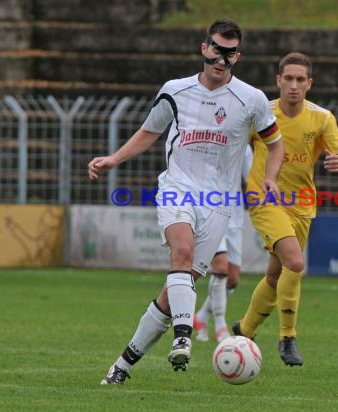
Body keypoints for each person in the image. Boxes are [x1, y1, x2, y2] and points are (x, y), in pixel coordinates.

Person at [88, 18, 284, 385]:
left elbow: (275, 144)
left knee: (172, 293)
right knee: (180, 253)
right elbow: (149, 131)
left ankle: (123, 365)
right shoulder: (174, 91)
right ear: (203, 47)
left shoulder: (251, 99)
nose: (221, 59)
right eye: (216, 49)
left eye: (229, 53)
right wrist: (114, 158)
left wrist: (270, 176)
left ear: (237, 56)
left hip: (220, 202)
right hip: (177, 187)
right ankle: (184, 336)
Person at [232, 52, 338, 366]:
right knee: (295, 263)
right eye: (288, 78)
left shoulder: (321, 118)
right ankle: (287, 337)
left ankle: (244, 329)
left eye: (301, 79)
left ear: (309, 83)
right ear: (278, 81)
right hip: (264, 198)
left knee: (276, 274)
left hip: (301, 206)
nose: (294, 85)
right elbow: (233, 145)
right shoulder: (262, 114)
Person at [193, 145, 253, 343]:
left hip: (234, 214)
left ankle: (200, 318)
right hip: (208, 208)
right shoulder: (204, 138)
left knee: (233, 279)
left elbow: (252, 178)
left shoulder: (243, 146)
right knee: (220, 268)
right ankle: (221, 327)